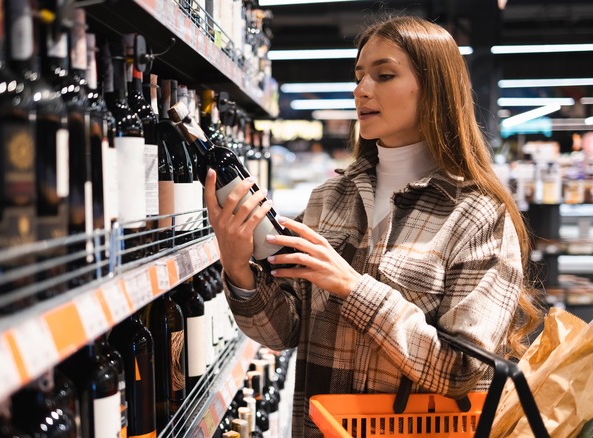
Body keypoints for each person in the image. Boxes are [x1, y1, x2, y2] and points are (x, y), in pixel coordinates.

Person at [204, 15, 542, 437]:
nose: (361, 90)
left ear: (435, 89)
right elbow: (285, 331)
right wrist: (239, 270)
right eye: (359, 76)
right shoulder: (329, 199)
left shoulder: (478, 215)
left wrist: (352, 287)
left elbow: (463, 371)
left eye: (384, 75)